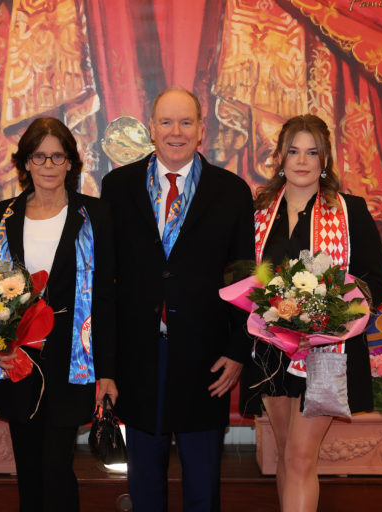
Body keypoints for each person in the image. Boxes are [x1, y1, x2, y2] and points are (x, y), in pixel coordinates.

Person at [101, 87, 255, 512]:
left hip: (207, 359)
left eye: (186, 122)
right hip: (138, 357)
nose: (176, 132)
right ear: (151, 128)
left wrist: (238, 350)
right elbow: (105, 283)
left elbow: (246, 278)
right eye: (166, 122)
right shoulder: (118, 187)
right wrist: (106, 366)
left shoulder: (232, 191)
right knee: (145, 481)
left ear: (202, 130)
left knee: (202, 485)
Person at [240, 114, 382, 511]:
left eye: (312, 152)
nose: (302, 161)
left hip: (326, 353)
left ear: (325, 160)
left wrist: (328, 313)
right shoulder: (257, 212)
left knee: (302, 457)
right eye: (293, 151)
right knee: (286, 452)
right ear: (280, 157)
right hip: (270, 350)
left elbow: (376, 280)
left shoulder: (350, 211)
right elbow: (243, 275)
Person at [0, 117, 117, 512]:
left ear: (70, 163)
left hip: (73, 358)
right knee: (28, 468)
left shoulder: (96, 215)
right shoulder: (0, 216)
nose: (47, 165)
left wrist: (107, 370)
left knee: (57, 466)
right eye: (38, 156)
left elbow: (107, 299)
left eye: (57, 156)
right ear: (25, 162)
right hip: (17, 359)